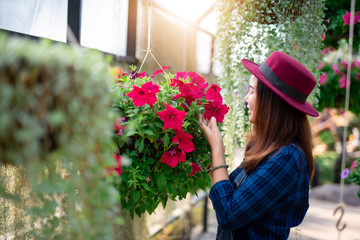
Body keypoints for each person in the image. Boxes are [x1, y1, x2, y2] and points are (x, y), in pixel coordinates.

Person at [198, 51, 319, 239]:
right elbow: (231, 196)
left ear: (271, 102)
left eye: (252, 91)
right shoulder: (267, 148)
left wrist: (217, 150)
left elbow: (228, 214)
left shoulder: (287, 158)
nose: (246, 98)